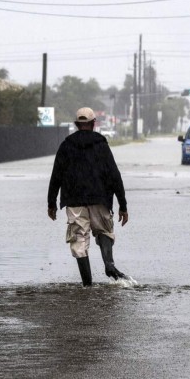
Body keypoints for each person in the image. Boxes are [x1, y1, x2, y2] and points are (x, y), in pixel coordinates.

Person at [47, 107, 129, 287]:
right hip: (100, 198)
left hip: (74, 201)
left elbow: (56, 176)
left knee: (79, 239)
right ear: (93, 124)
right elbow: (114, 175)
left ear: (77, 125)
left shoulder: (66, 145)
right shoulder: (101, 145)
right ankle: (109, 264)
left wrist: (51, 203)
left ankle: (87, 286)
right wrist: (123, 205)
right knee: (104, 231)